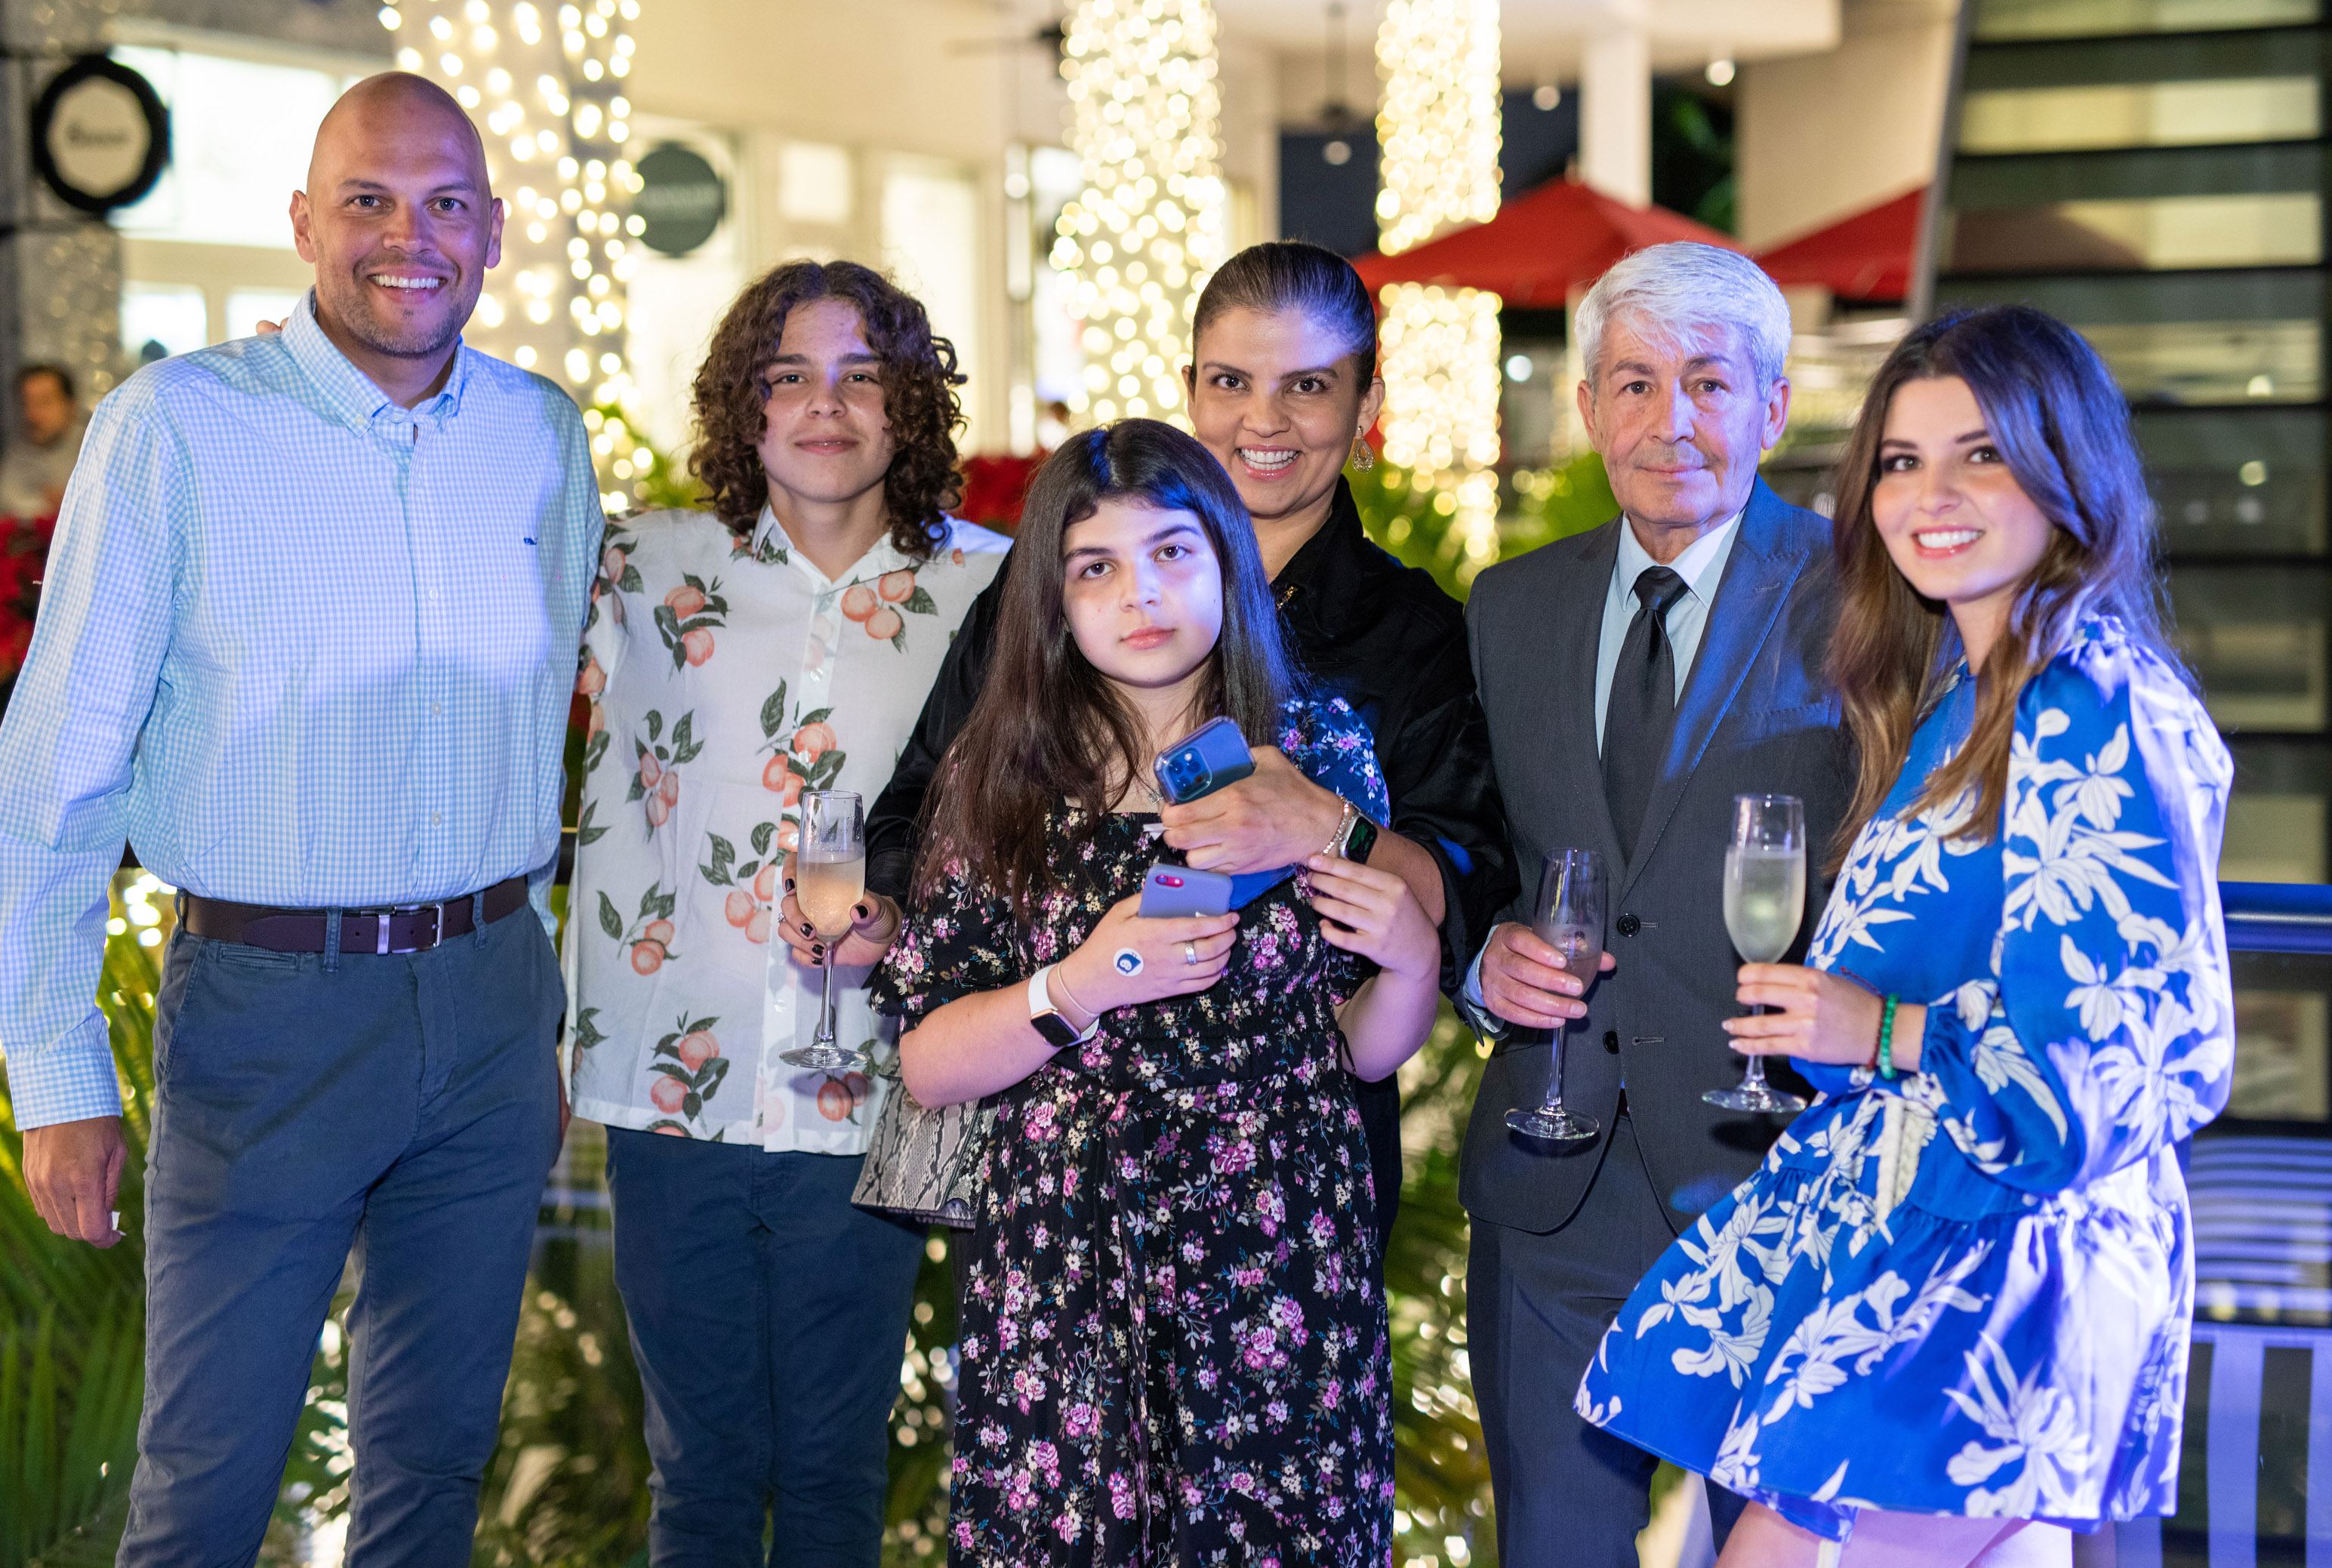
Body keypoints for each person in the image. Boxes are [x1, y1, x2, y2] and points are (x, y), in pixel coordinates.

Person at [0, 73, 600, 1565]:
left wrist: (549, 1025)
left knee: (435, 1468)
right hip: (266, 1013)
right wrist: (57, 1069)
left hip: (493, 998)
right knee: (206, 1481)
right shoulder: (176, 429)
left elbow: (562, 728)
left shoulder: (540, 434)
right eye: (369, 200)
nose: (410, 236)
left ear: (494, 231)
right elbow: (56, 769)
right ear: (303, 221)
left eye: (446, 202)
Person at [1578, 306, 2233, 1567]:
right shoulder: (1968, 701)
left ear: (2069, 472)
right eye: (1900, 459)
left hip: (2003, 1280)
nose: (1931, 493)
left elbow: (2138, 1045)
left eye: (1981, 454)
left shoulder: (2087, 701)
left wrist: (1878, 1025)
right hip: (1933, 1249)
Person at [843, 241, 1516, 1246]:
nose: (1265, 420)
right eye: (1232, 381)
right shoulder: (1050, 588)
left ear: (1366, 404)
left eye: (1310, 386)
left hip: (1287, 1205)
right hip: (1058, 1200)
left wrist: (1336, 829)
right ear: (1191, 391)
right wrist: (898, 916)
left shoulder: (1407, 635)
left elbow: (1460, 897)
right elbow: (924, 807)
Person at [877, 419, 1439, 1564]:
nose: (1144, 595)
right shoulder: (1002, 776)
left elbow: (1366, 1051)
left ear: (1227, 563)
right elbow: (929, 1061)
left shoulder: (1313, 750)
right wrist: (1079, 983)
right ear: (1054, 597)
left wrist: (1414, 952)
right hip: (1073, 1259)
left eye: (1175, 554)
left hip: (1280, 1255)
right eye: (1099, 567)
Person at [562, 259, 1009, 1564]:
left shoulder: (993, 589)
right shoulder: (638, 566)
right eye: (790, 375)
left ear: (910, 405)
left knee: (831, 1475)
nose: (826, 405)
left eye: (862, 375)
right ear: (742, 406)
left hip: (877, 1088)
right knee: (693, 1479)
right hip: (670, 1088)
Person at [1458, 240, 1855, 1566]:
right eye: (1632, 383)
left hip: (1778, 1176)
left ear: (1772, 407)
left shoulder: (1867, 602)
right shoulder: (1510, 608)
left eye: (1706, 382)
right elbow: (1475, 853)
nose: (1667, 420)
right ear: (1587, 411)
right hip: (1554, 1172)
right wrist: (1484, 961)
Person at [0, 362, 86, 519]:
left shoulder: (96, 448)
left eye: (44, 402)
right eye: (26, 403)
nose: (32, 415)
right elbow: (3, 509)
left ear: (71, 406)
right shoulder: (17, 454)